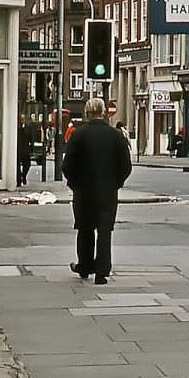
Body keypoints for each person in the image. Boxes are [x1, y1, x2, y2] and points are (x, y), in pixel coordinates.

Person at [62, 98, 132, 286]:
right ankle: (102, 272)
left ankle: (84, 266)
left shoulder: (78, 135)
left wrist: (74, 183)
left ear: (87, 112)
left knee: (84, 229)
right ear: (104, 113)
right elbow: (126, 166)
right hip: (107, 192)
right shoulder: (116, 135)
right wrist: (116, 183)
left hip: (83, 191)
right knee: (104, 230)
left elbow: (67, 165)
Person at [16, 114, 31, 187]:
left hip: (26, 149)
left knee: (27, 165)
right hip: (18, 149)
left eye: (23, 119)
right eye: (21, 119)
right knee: (17, 166)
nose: (22, 121)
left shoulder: (28, 128)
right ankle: (19, 180)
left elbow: (31, 138)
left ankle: (23, 175)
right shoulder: (16, 127)